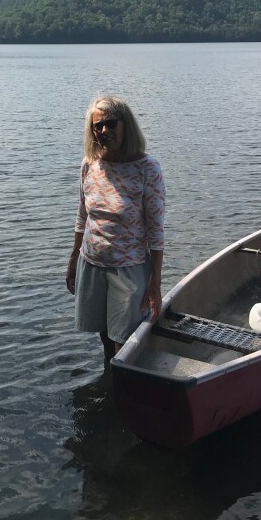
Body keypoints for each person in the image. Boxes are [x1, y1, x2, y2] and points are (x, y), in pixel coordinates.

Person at [66, 94, 166, 361]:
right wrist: (74, 259)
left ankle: (122, 388)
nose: (103, 131)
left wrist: (155, 284)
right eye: (97, 126)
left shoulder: (147, 169)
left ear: (126, 126)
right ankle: (109, 379)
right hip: (92, 263)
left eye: (111, 124)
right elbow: (82, 214)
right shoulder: (90, 164)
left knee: (123, 341)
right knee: (103, 334)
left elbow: (156, 233)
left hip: (129, 268)